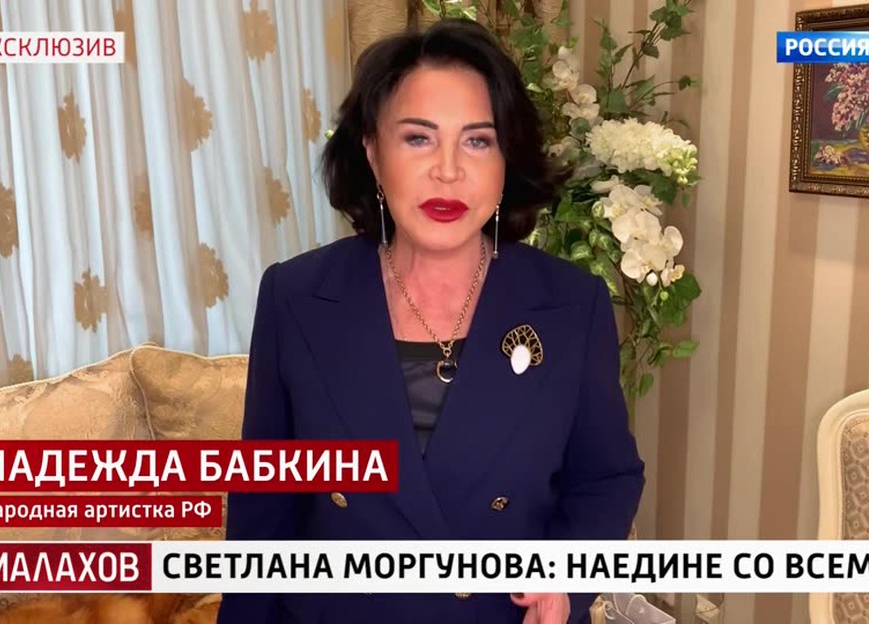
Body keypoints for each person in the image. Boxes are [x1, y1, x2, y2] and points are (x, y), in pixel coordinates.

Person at [218, 18, 645, 624]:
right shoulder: (296, 296)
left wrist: (565, 583)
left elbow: (605, 477)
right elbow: (262, 510)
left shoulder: (573, 305)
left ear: (507, 159)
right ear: (373, 152)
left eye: (478, 141)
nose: (448, 170)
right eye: (418, 138)